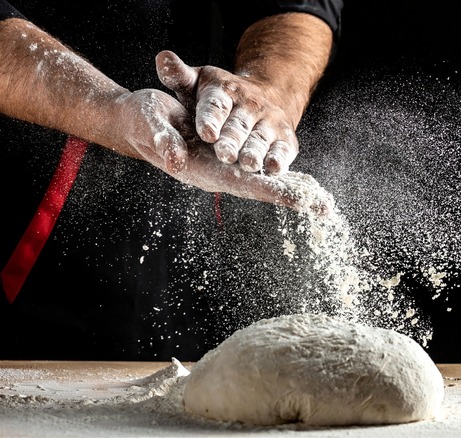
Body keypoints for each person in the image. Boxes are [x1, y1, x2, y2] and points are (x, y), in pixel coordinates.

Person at [0, 0, 343, 360]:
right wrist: (113, 110)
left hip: (196, 214)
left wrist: (264, 92)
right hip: (33, 244)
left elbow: (296, 7)